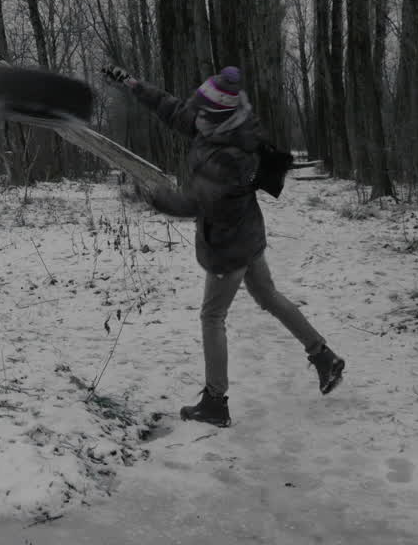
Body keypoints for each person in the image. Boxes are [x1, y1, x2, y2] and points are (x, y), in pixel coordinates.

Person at [102, 64, 344, 427]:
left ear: (217, 118)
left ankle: (215, 402)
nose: (193, 116)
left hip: (229, 248)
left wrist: (150, 196)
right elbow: (173, 109)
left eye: (201, 112)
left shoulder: (230, 157)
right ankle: (323, 356)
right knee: (268, 297)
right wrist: (133, 85)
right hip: (248, 238)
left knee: (212, 317)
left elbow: (195, 203)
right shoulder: (217, 126)